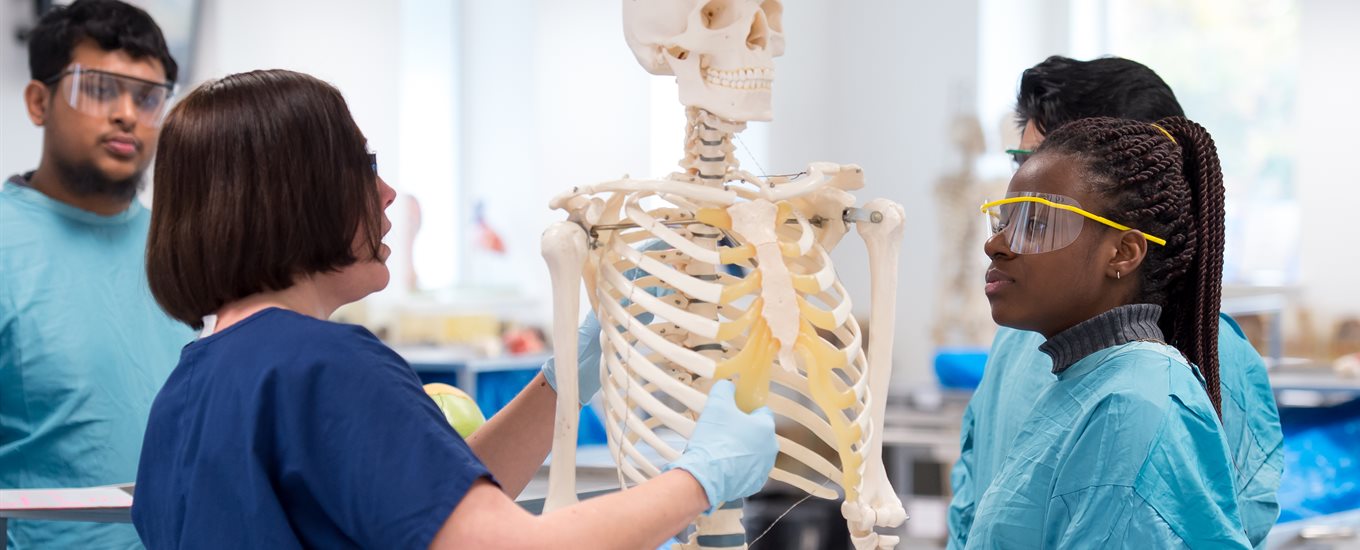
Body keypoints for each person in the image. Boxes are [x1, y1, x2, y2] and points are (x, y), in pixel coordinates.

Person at [131, 69, 779, 549]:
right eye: (364, 164)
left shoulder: (190, 390)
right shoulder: (322, 367)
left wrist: (561, 386)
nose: (387, 194)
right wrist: (698, 479)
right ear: (292, 194)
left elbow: (422, 508)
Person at [948, 56, 1283, 549]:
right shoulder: (1030, 342)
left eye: (1042, 215)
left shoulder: (1154, 388)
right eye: (1023, 168)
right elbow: (974, 503)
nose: (1002, 242)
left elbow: (1212, 520)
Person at [0, 1, 192, 547]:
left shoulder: (185, 248)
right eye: (101, 88)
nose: (128, 113)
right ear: (39, 102)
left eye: (148, 97)